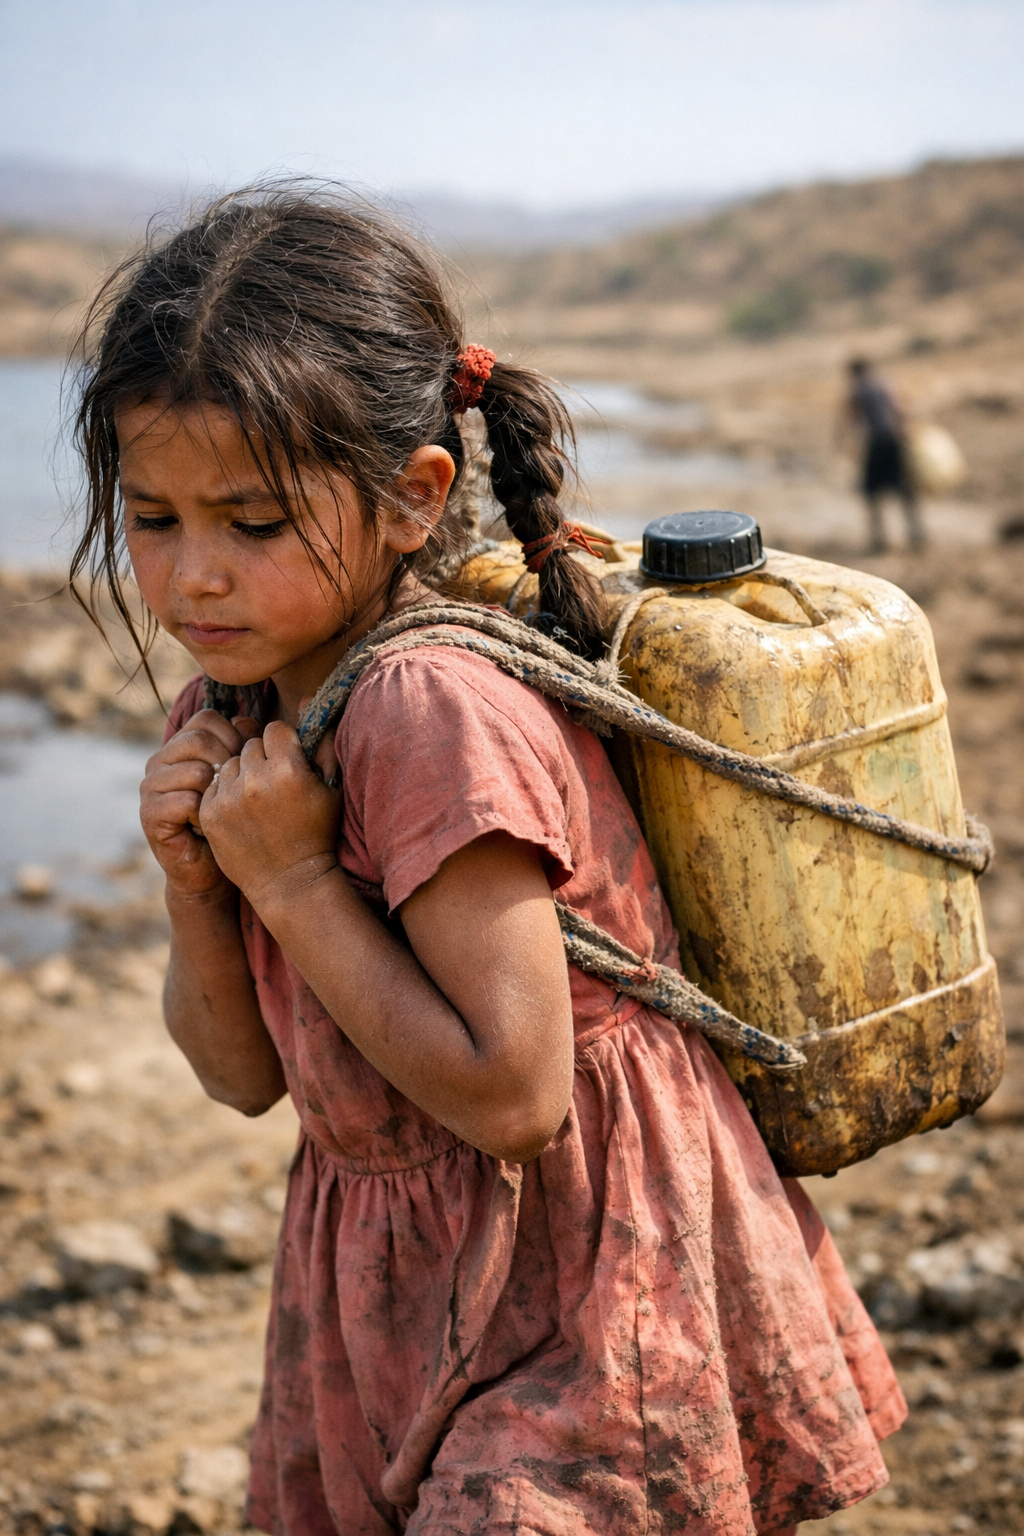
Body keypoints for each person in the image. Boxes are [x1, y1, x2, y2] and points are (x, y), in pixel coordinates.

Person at [70, 187, 905, 1536]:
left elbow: (517, 1098)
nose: (193, 580)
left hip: (577, 1275)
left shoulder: (425, 712)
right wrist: (196, 883)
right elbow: (236, 1077)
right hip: (402, 1277)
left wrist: (289, 883)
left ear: (413, 499)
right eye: (154, 519)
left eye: (253, 523)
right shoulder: (236, 712)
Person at [845, 358, 925, 553]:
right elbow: (899, 410)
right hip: (894, 441)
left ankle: (879, 540)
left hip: (875, 444)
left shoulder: (857, 390)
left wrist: (843, 445)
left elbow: (852, 419)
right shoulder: (883, 385)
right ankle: (917, 535)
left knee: (872, 492)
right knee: (904, 488)